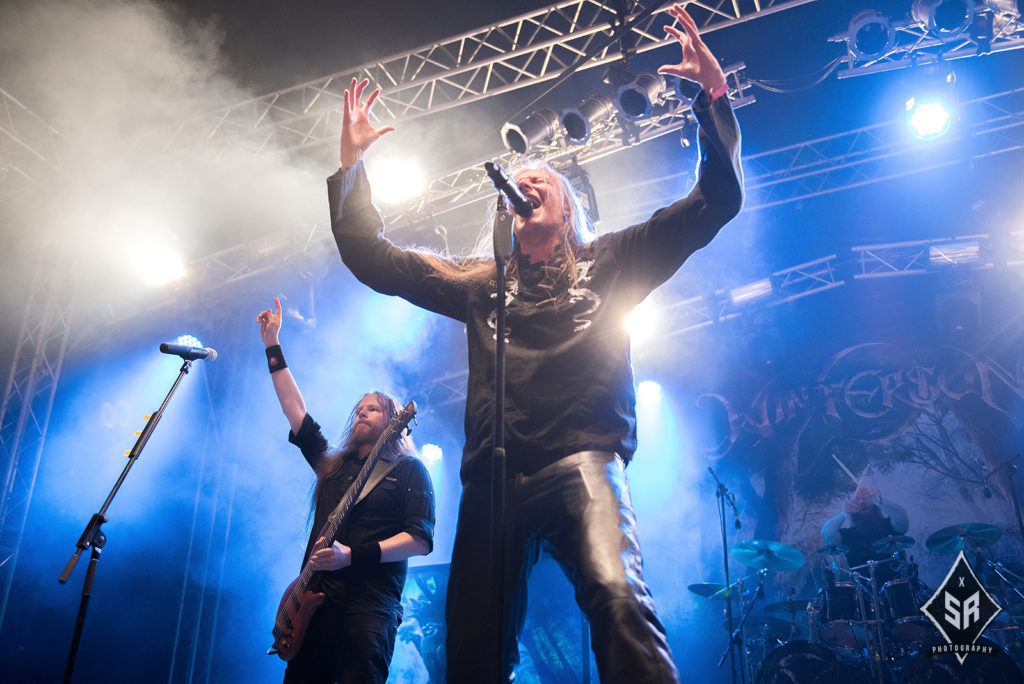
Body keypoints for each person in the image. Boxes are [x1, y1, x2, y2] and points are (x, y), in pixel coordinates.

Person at [326, 5, 742, 681]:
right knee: (471, 646)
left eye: (542, 180)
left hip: (582, 457)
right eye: (519, 184)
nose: (527, 184)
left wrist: (714, 100)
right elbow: (375, 259)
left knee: (616, 595)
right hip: (494, 475)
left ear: (568, 208)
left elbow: (712, 204)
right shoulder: (478, 283)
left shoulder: (613, 262)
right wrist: (351, 168)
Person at [258, 297, 436, 684]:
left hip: (369, 606)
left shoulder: (409, 471)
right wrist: (273, 344)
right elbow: (295, 409)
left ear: (394, 422)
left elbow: (420, 540)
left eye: (372, 408)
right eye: (358, 408)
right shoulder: (332, 465)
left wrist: (352, 556)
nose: (361, 412)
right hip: (314, 604)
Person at [820, 486, 910, 582]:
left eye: (866, 497)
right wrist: (843, 514)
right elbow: (826, 536)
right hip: (862, 591)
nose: (861, 502)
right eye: (856, 499)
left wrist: (880, 502)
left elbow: (903, 520)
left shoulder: (890, 525)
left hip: (898, 584)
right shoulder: (846, 535)